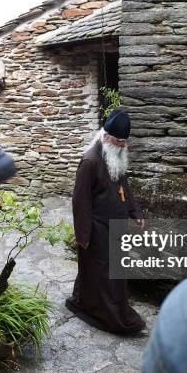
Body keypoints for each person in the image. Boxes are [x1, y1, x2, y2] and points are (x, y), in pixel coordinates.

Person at [65, 108, 146, 335]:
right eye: (120, 141)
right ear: (107, 136)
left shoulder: (115, 157)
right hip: (98, 230)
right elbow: (80, 203)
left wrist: (136, 212)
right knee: (103, 275)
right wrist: (83, 236)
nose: (123, 146)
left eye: (125, 142)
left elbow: (124, 189)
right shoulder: (90, 161)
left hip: (116, 229)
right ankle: (114, 318)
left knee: (109, 274)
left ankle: (92, 305)